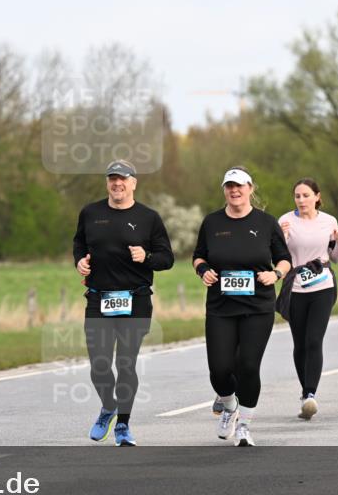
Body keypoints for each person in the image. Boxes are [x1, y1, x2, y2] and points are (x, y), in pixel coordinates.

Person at [73, 160, 174, 446]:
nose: (117, 184)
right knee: (99, 365)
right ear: (107, 183)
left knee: (126, 364)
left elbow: (167, 258)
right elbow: (79, 243)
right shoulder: (90, 213)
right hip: (98, 298)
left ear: (133, 183)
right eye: (112, 179)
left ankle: (123, 426)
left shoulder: (148, 217)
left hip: (136, 299)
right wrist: (79, 261)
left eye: (123, 179)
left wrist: (148, 257)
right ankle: (109, 407)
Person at [193, 167, 291, 447]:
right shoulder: (212, 222)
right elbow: (198, 256)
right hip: (221, 306)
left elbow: (283, 258)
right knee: (220, 369)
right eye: (229, 186)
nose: (234, 191)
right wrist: (203, 271)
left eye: (240, 186)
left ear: (250, 188)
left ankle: (245, 426)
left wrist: (276, 275)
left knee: (248, 366)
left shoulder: (266, 222)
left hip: (257, 305)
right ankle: (229, 405)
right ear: (224, 190)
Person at [278, 179, 338, 420]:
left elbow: (336, 258)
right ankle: (304, 392)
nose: (301, 200)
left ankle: (310, 395)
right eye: (297, 196)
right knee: (299, 343)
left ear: (317, 196)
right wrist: (283, 238)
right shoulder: (285, 221)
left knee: (314, 340)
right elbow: (278, 258)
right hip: (295, 287)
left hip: (322, 286)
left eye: (306, 195)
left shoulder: (329, 221)